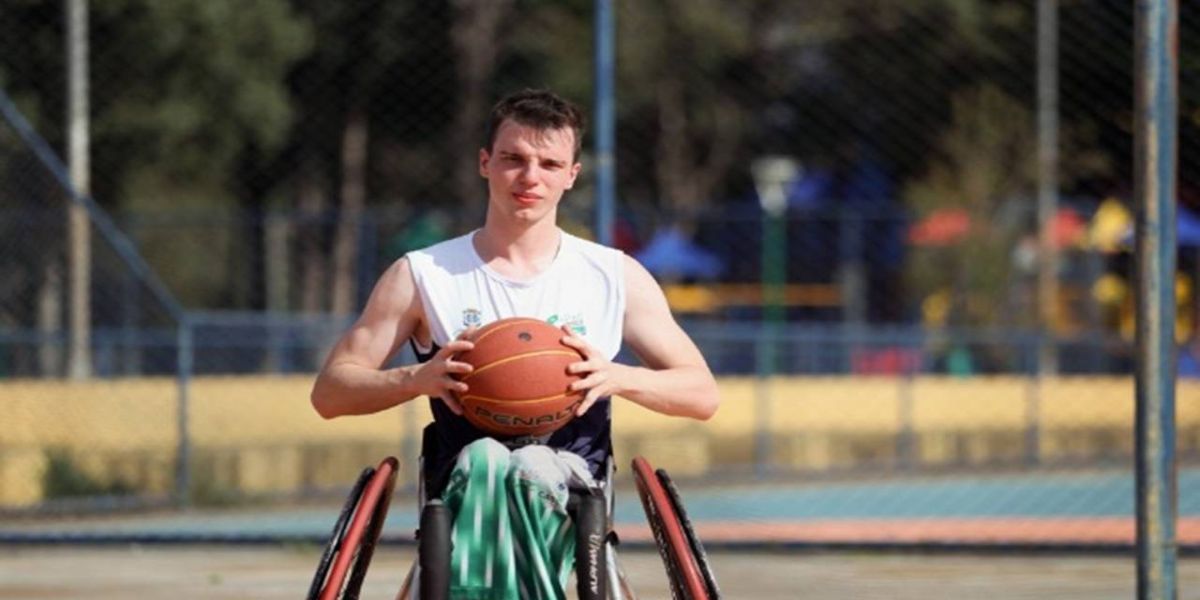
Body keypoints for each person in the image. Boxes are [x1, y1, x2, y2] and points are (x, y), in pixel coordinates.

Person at [310, 88, 719, 599]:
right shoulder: (424, 275)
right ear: (485, 163)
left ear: (572, 174)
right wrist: (415, 378)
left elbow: (702, 394)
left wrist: (619, 376)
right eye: (514, 159)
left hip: (570, 480)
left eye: (550, 163)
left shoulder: (614, 276)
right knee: (487, 460)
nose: (531, 177)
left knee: (531, 467)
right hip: (463, 476)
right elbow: (330, 392)